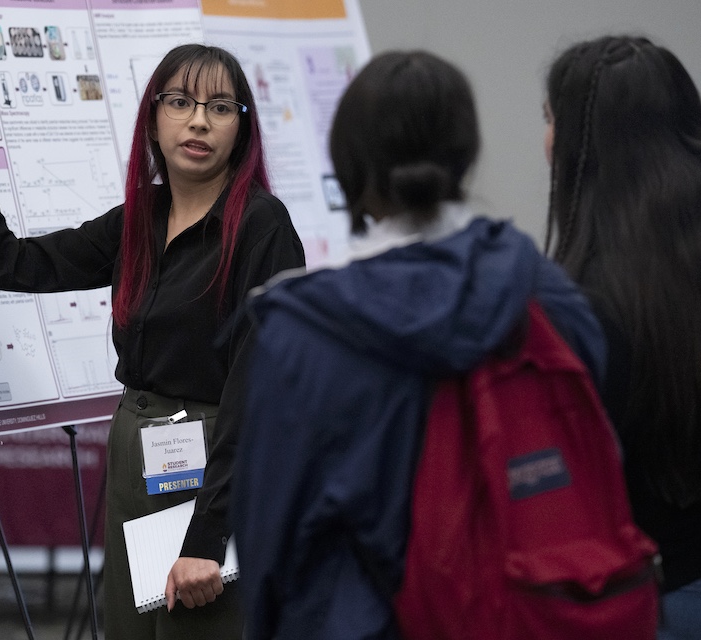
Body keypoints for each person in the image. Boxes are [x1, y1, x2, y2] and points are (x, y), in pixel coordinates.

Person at [0, 39, 305, 639]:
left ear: (242, 128)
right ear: (153, 118)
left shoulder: (262, 227)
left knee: (201, 629)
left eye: (221, 107)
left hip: (218, 472)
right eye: (180, 101)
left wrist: (208, 538)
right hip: (138, 457)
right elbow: (6, 263)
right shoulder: (139, 219)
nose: (198, 119)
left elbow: (259, 395)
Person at [232, 50, 606, 639]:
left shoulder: (302, 334)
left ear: (347, 165)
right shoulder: (547, 297)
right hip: (529, 610)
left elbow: (270, 540)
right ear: (465, 157)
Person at [542, 35, 701, 639]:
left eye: (552, 118)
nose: (547, 137)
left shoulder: (605, 285)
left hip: (668, 588)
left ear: (584, 138)